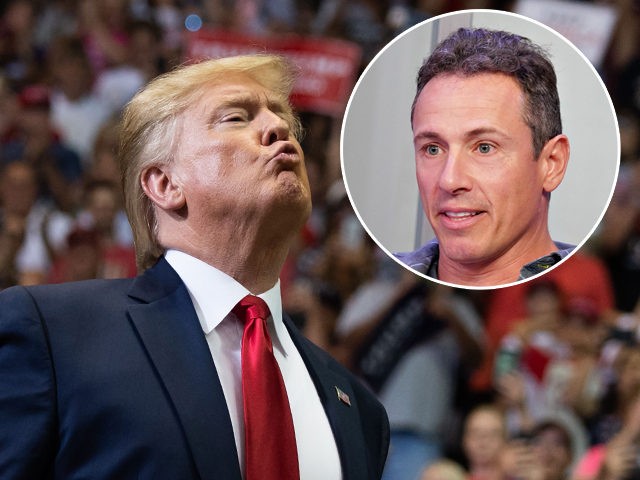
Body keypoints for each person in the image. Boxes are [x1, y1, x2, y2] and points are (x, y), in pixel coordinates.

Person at [0, 54, 390, 479]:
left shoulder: (359, 409)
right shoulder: (53, 335)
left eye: (282, 118)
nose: (278, 129)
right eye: (236, 118)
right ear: (165, 184)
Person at [395, 27, 573, 287]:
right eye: (433, 149)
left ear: (551, 164)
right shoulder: (382, 282)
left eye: (484, 147)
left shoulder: (585, 283)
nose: (449, 180)